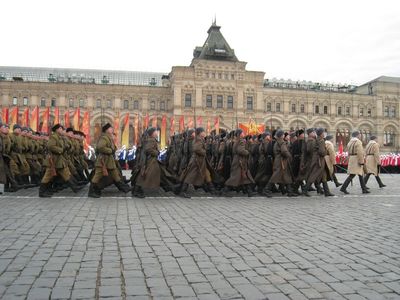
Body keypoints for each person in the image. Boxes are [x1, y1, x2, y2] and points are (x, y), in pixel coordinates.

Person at [88, 123, 130, 198]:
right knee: (97, 176)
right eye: (110, 128)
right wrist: (110, 150)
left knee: (115, 175)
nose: (112, 129)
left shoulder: (108, 137)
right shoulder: (104, 137)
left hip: (109, 161)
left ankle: (125, 189)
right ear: (107, 130)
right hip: (103, 161)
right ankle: (91, 191)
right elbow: (100, 147)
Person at [39, 124, 82, 197]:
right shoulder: (53, 137)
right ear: (57, 130)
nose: (62, 130)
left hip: (59, 160)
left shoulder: (59, 137)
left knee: (66, 173)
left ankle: (74, 187)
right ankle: (41, 192)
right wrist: (61, 150)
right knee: (47, 176)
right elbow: (50, 146)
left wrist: (66, 147)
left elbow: (63, 146)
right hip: (53, 160)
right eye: (61, 129)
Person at [264, 129, 297, 197]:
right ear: (281, 135)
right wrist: (290, 156)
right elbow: (284, 151)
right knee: (275, 176)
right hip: (281, 162)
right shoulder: (281, 142)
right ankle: (266, 190)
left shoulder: (277, 142)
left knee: (286, 176)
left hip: (279, 161)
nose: (284, 135)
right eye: (283, 134)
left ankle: (289, 191)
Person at [224, 129, 256, 197]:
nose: (243, 133)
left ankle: (249, 192)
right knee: (236, 177)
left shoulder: (236, 141)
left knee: (244, 176)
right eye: (242, 132)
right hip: (239, 161)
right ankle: (225, 190)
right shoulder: (241, 141)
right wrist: (247, 152)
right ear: (239, 134)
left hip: (238, 160)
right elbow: (240, 150)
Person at [340, 130, 370, 194]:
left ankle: (364, 189)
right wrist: (361, 161)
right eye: (359, 134)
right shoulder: (358, 142)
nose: (360, 135)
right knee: (352, 175)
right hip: (357, 159)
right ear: (357, 135)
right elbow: (360, 152)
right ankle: (343, 188)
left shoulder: (350, 142)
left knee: (360, 174)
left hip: (352, 158)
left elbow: (348, 152)